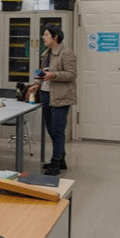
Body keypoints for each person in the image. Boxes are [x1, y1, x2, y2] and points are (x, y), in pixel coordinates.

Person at [27, 24, 77, 176]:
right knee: (51, 129)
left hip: (61, 96)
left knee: (57, 130)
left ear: (55, 37)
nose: (43, 37)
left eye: (46, 35)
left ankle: (55, 163)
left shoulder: (66, 53)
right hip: (46, 95)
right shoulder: (47, 54)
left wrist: (54, 75)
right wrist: (36, 85)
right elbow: (43, 74)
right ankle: (61, 159)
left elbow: (71, 74)